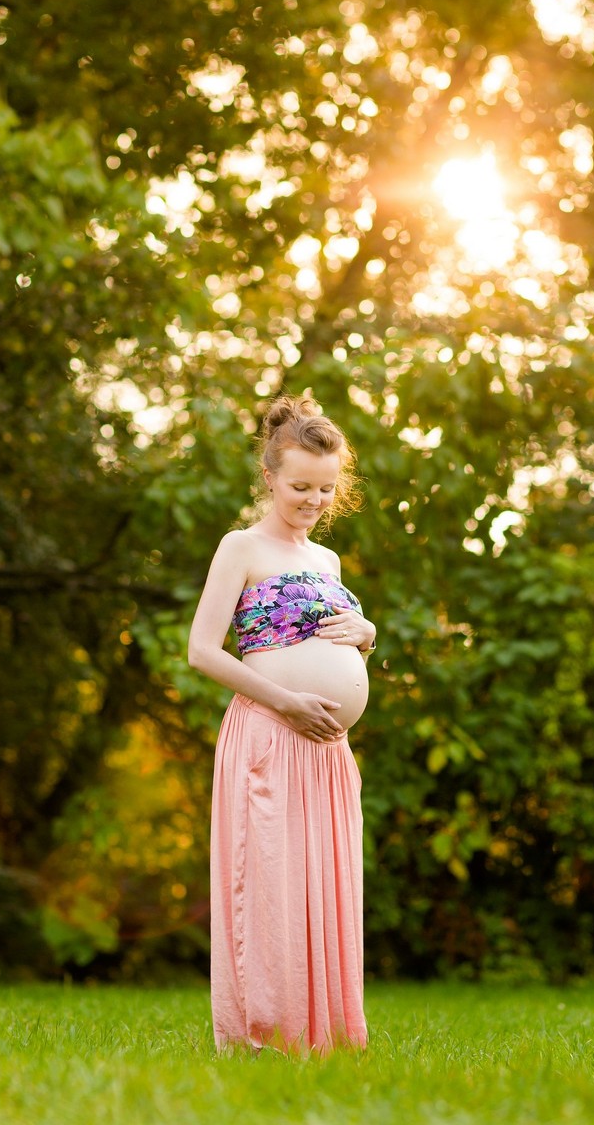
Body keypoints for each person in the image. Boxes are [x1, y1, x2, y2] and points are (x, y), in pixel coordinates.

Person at [188, 394, 376, 1055]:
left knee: (323, 888)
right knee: (268, 885)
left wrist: (368, 632)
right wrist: (285, 701)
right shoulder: (241, 546)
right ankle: (260, 1039)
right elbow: (202, 650)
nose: (313, 499)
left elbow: (342, 640)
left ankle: (323, 1037)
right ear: (269, 477)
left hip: (326, 751)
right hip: (270, 735)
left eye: (326, 489)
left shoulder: (328, 564)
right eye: (300, 486)